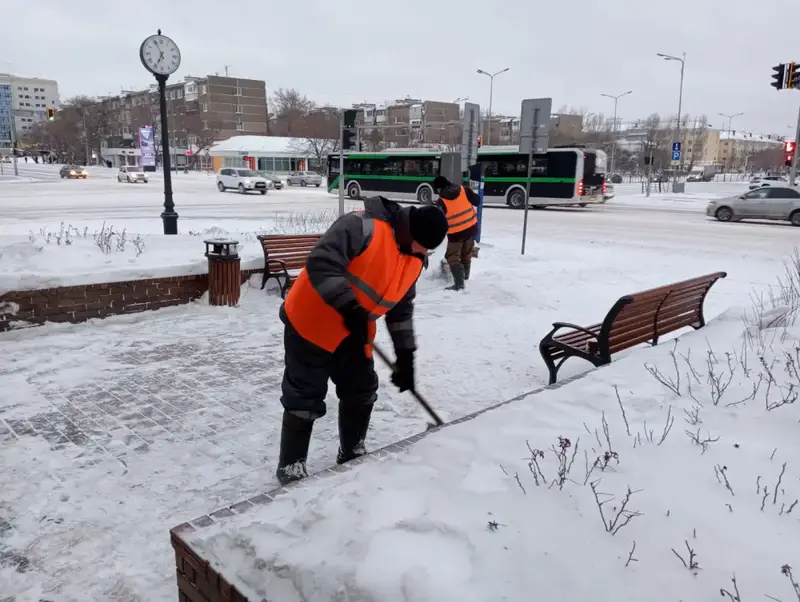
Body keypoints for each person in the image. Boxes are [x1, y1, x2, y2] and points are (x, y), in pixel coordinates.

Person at [275, 196, 449, 485]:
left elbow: (401, 310)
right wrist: (348, 306)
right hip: (311, 321)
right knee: (305, 394)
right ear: (412, 233)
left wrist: (406, 356)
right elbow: (321, 262)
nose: (425, 252)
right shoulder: (362, 226)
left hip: (354, 330)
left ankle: (352, 450)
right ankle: (291, 467)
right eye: (424, 245)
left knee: (361, 389)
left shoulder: (415, 258)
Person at [432, 175, 480, 291]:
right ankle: (465, 277)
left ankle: (459, 284)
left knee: (452, 256)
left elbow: (439, 220)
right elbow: (477, 201)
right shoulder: (464, 190)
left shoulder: (442, 201)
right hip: (471, 228)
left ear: (439, 189)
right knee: (466, 253)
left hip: (456, 233)